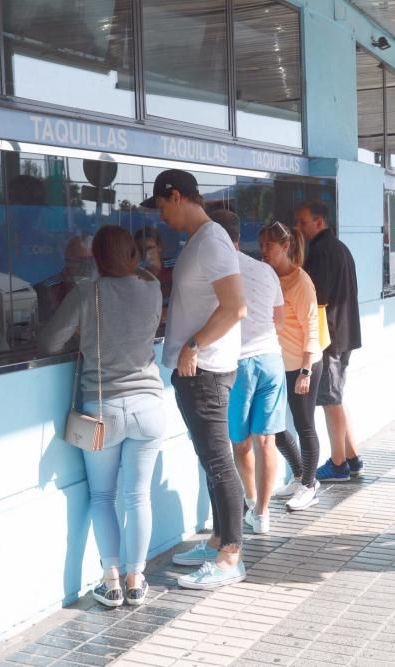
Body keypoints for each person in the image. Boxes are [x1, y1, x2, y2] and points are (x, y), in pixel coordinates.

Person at [38, 225, 166, 607]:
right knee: (138, 495)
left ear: (95, 259)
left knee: (103, 495)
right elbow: (143, 275)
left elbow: (48, 342)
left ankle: (110, 581)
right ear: (133, 256)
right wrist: (136, 265)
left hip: (102, 410)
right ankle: (136, 578)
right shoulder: (152, 289)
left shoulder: (86, 292)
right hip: (148, 407)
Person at [142, 169, 248, 590]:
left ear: (177, 196)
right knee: (211, 458)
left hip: (204, 370)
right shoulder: (201, 242)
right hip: (197, 370)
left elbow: (236, 306)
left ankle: (230, 556)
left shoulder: (213, 241)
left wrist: (195, 345)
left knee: (219, 461)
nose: (162, 216)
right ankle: (219, 539)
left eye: (163, 206)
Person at [210, 210, 287, 535]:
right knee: (266, 441)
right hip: (271, 360)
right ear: (239, 237)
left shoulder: (217, 271)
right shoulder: (266, 270)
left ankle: (252, 502)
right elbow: (279, 320)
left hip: (239, 365)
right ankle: (263, 513)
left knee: (239, 443)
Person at [294, 201, 363, 482]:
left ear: (319, 222)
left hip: (329, 338)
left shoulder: (322, 252)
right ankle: (351, 456)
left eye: (303, 222)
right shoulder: (341, 248)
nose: (299, 227)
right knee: (336, 397)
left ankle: (337, 465)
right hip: (343, 334)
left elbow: (315, 299)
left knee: (330, 400)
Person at [259, 221, 324, 511]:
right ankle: (300, 474)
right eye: (261, 246)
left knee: (304, 424)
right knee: (276, 426)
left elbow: (311, 328)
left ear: (285, 247)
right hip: (277, 362)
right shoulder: (268, 275)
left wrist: (306, 370)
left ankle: (310, 484)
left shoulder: (301, 282)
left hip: (303, 364)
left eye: (268, 246)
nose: (263, 252)